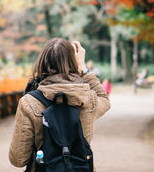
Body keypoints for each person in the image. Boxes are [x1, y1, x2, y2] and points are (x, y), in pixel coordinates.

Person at [9, 38, 111, 171]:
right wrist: (84, 69)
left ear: (42, 62)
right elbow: (104, 99)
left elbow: (18, 159)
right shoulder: (88, 98)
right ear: (73, 62)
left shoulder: (29, 103)